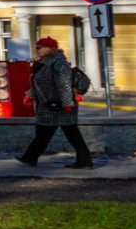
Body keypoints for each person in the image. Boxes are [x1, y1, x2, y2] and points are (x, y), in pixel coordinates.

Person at [16, 36, 93, 168]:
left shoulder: (58, 62)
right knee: (45, 132)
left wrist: (67, 103)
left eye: (40, 47)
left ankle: (84, 161)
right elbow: (39, 83)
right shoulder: (44, 62)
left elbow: (64, 84)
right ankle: (30, 157)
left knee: (66, 133)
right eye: (37, 47)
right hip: (49, 105)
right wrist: (30, 95)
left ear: (50, 48)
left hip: (58, 105)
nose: (37, 50)